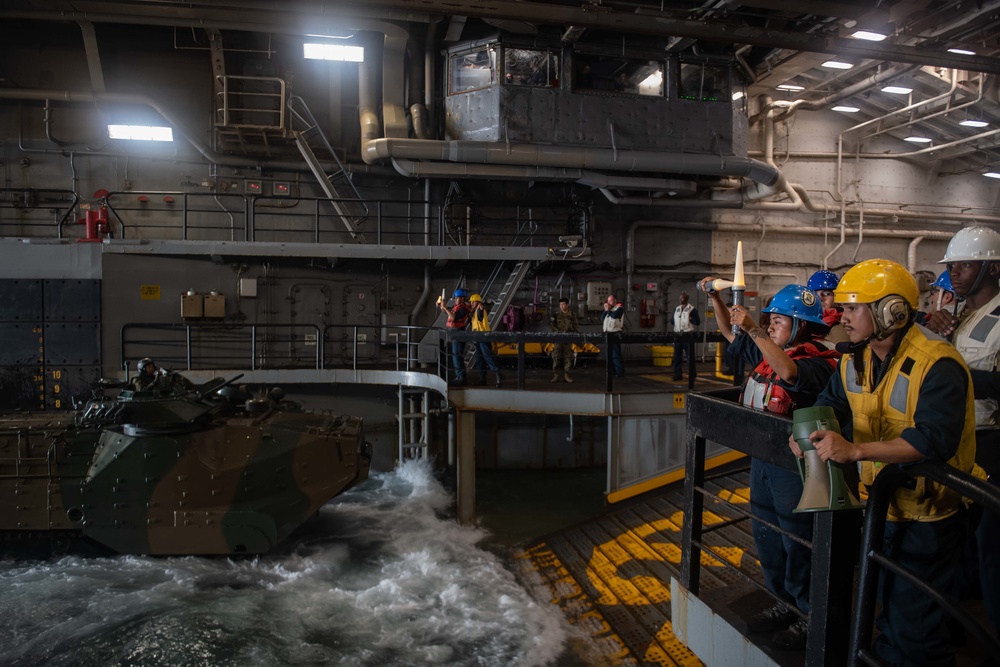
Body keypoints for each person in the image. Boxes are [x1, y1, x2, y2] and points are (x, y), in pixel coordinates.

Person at [794, 258, 982, 667]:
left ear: (891, 311)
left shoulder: (938, 364)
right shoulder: (854, 360)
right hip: (880, 508)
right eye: (842, 308)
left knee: (916, 629)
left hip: (928, 517)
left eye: (852, 308)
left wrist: (856, 451)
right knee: (887, 607)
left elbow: (933, 440)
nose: (841, 317)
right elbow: (830, 405)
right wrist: (807, 436)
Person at [706, 279, 840, 650]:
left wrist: (754, 328)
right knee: (768, 535)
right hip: (763, 462)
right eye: (770, 320)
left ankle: (810, 612)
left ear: (801, 326)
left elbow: (791, 376)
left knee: (799, 541)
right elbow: (733, 334)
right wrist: (716, 299)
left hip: (796, 470)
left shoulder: (818, 362)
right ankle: (785, 602)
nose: (771, 326)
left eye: (779, 321)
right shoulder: (768, 352)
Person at [925, 226, 1000, 654]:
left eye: (966, 264)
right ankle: (951, 630)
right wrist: (937, 335)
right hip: (955, 441)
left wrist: (961, 379)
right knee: (953, 542)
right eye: (951, 265)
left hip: (992, 444)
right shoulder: (953, 317)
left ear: (992, 267)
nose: (954, 273)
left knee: (992, 548)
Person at [468, 293, 503, 387]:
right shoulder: (475, 312)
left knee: (488, 357)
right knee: (480, 360)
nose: (471, 303)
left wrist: (480, 308)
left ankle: (499, 376)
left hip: (483, 337)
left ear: (478, 302)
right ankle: (482, 379)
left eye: (473, 302)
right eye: (471, 302)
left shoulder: (479, 309)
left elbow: (480, 314)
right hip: (478, 338)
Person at [439, 288, 471, 385]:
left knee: (457, 355)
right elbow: (450, 314)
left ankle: (461, 377)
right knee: (456, 355)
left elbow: (453, 317)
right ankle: (459, 376)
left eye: (457, 298)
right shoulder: (457, 307)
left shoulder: (463, 309)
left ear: (461, 298)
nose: (455, 300)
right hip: (454, 332)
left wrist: (445, 308)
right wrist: (442, 308)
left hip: (458, 332)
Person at [807, 269, 849, 344]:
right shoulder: (806, 325)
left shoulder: (840, 329)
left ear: (837, 298)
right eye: (815, 294)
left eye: (827, 294)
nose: (820, 298)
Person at [672, 291, 701, 382]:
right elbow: (672, 321)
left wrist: (690, 318)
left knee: (690, 356)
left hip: (688, 335)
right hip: (678, 334)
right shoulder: (677, 309)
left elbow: (697, 322)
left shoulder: (692, 309)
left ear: (687, 299)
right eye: (681, 298)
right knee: (677, 356)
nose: (682, 300)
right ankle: (677, 374)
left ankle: (692, 374)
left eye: (683, 298)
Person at [550, 297, 579, 383]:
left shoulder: (571, 315)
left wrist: (574, 334)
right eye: (560, 305)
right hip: (558, 338)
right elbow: (552, 325)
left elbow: (576, 325)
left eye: (563, 304)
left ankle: (566, 375)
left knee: (568, 356)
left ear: (567, 305)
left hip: (567, 338)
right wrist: (558, 332)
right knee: (556, 356)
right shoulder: (556, 314)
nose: (562, 306)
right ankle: (555, 375)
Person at [131, 357, 195, 391]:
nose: (151, 369)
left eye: (152, 367)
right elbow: (143, 391)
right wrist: (155, 381)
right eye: (149, 367)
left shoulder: (152, 375)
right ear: (143, 370)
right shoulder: (137, 379)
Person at [601, 294, 625, 377]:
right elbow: (602, 318)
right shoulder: (609, 310)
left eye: (611, 300)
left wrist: (608, 310)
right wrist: (606, 310)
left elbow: (615, 316)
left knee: (615, 354)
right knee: (609, 354)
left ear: (615, 301)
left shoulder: (619, 309)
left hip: (615, 333)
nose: (609, 302)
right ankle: (612, 371)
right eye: (608, 301)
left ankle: (620, 372)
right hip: (608, 333)